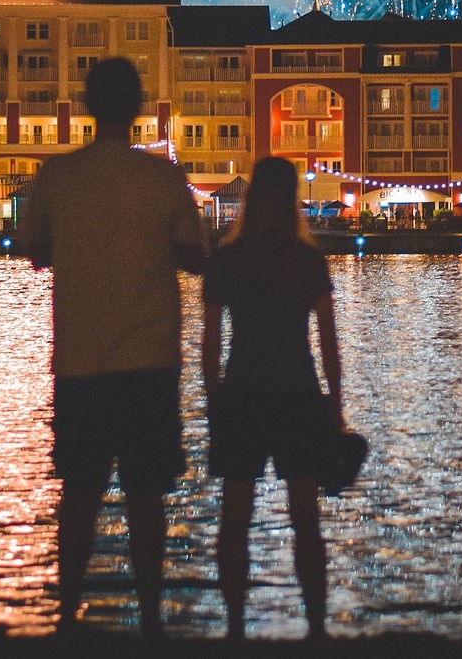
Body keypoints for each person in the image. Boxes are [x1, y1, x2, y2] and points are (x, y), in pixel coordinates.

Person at [18, 57, 208, 638]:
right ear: (139, 108)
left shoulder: (57, 178)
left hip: (80, 361)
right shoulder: (164, 180)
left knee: (79, 491)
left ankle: (68, 616)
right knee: (147, 496)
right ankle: (150, 619)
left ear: (86, 105)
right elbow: (197, 255)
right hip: (150, 361)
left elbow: (33, 250)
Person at [202, 156, 344, 641]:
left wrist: (213, 396)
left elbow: (210, 339)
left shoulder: (228, 258)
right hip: (298, 391)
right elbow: (327, 339)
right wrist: (335, 403)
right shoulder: (308, 260)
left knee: (235, 516)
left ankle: (236, 627)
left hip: (241, 389)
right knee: (306, 517)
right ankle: (317, 628)